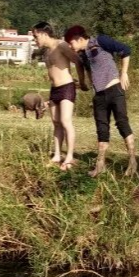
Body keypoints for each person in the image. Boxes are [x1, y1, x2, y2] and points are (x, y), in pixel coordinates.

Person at [64, 25, 137, 177]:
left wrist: (124, 73)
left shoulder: (101, 41)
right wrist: (82, 85)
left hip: (114, 90)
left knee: (122, 124)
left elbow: (125, 50)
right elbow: (88, 74)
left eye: (71, 43)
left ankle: (132, 162)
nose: (70, 47)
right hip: (99, 96)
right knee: (102, 130)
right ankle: (100, 165)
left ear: (79, 38)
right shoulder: (83, 56)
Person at [32, 22, 88, 171]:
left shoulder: (61, 45)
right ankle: (57, 155)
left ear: (44, 34)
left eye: (35, 36)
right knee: (56, 122)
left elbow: (78, 61)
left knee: (65, 121)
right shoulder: (46, 52)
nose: (34, 39)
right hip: (54, 89)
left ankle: (69, 157)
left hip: (67, 87)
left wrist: (82, 82)